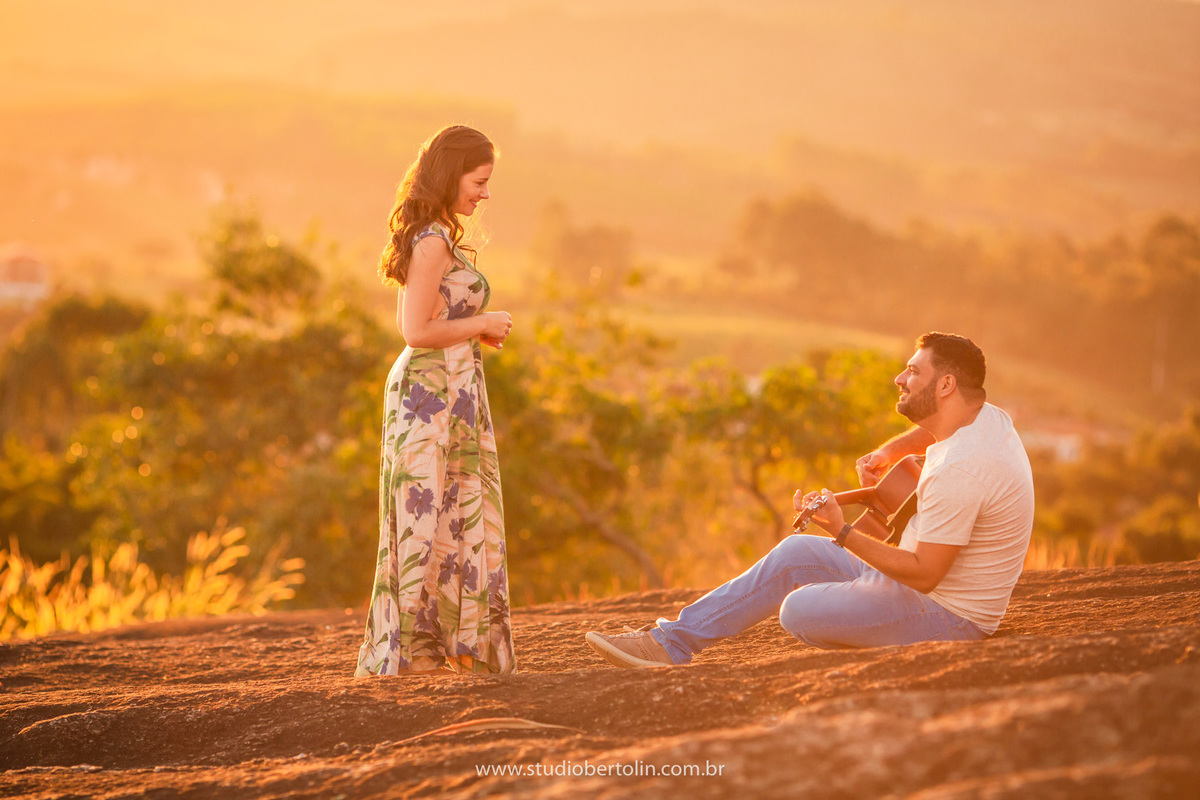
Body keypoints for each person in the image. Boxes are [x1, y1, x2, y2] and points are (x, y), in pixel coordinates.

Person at [585, 332, 1034, 667]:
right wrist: (890, 452)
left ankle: (877, 655)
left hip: (947, 618)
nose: (900, 377)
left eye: (914, 372)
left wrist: (841, 530)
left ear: (946, 385)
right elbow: (934, 428)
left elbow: (926, 575)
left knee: (798, 611)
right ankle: (671, 643)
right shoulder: (985, 418)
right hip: (919, 586)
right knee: (797, 552)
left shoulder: (962, 467)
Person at [356, 125, 517, 676]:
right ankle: (415, 651)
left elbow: (437, 320)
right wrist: (484, 320)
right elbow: (414, 331)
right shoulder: (431, 241)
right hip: (428, 394)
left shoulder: (438, 235)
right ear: (453, 174)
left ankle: (443, 647)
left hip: (452, 392)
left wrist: (474, 332)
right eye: (479, 181)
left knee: (453, 509)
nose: (485, 194)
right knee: (425, 518)